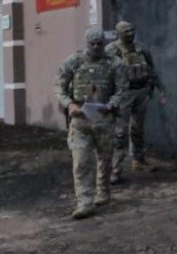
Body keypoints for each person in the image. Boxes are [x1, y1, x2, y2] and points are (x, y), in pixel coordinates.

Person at [55, 28, 127, 219]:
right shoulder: (74, 61)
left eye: (99, 44)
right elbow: (59, 87)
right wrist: (69, 104)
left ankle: (102, 190)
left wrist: (112, 105)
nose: (96, 47)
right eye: (92, 43)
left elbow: (122, 89)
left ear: (104, 43)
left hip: (104, 118)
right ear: (86, 43)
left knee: (105, 158)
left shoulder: (115, 63)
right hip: (80, 119)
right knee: (81, 162)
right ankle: (85, 202)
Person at [106, 21, 166, 182]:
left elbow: (151, 69)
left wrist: (160, 89)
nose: (130, 34)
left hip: (141, 92)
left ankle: (138, 160)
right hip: (124, 94)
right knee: (120, 132)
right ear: (118, 33)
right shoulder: (112, 50)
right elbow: (106, 73)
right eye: (126, 31)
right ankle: (115, 170)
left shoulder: (141, 48)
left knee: (138, 129)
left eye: (132, 30)